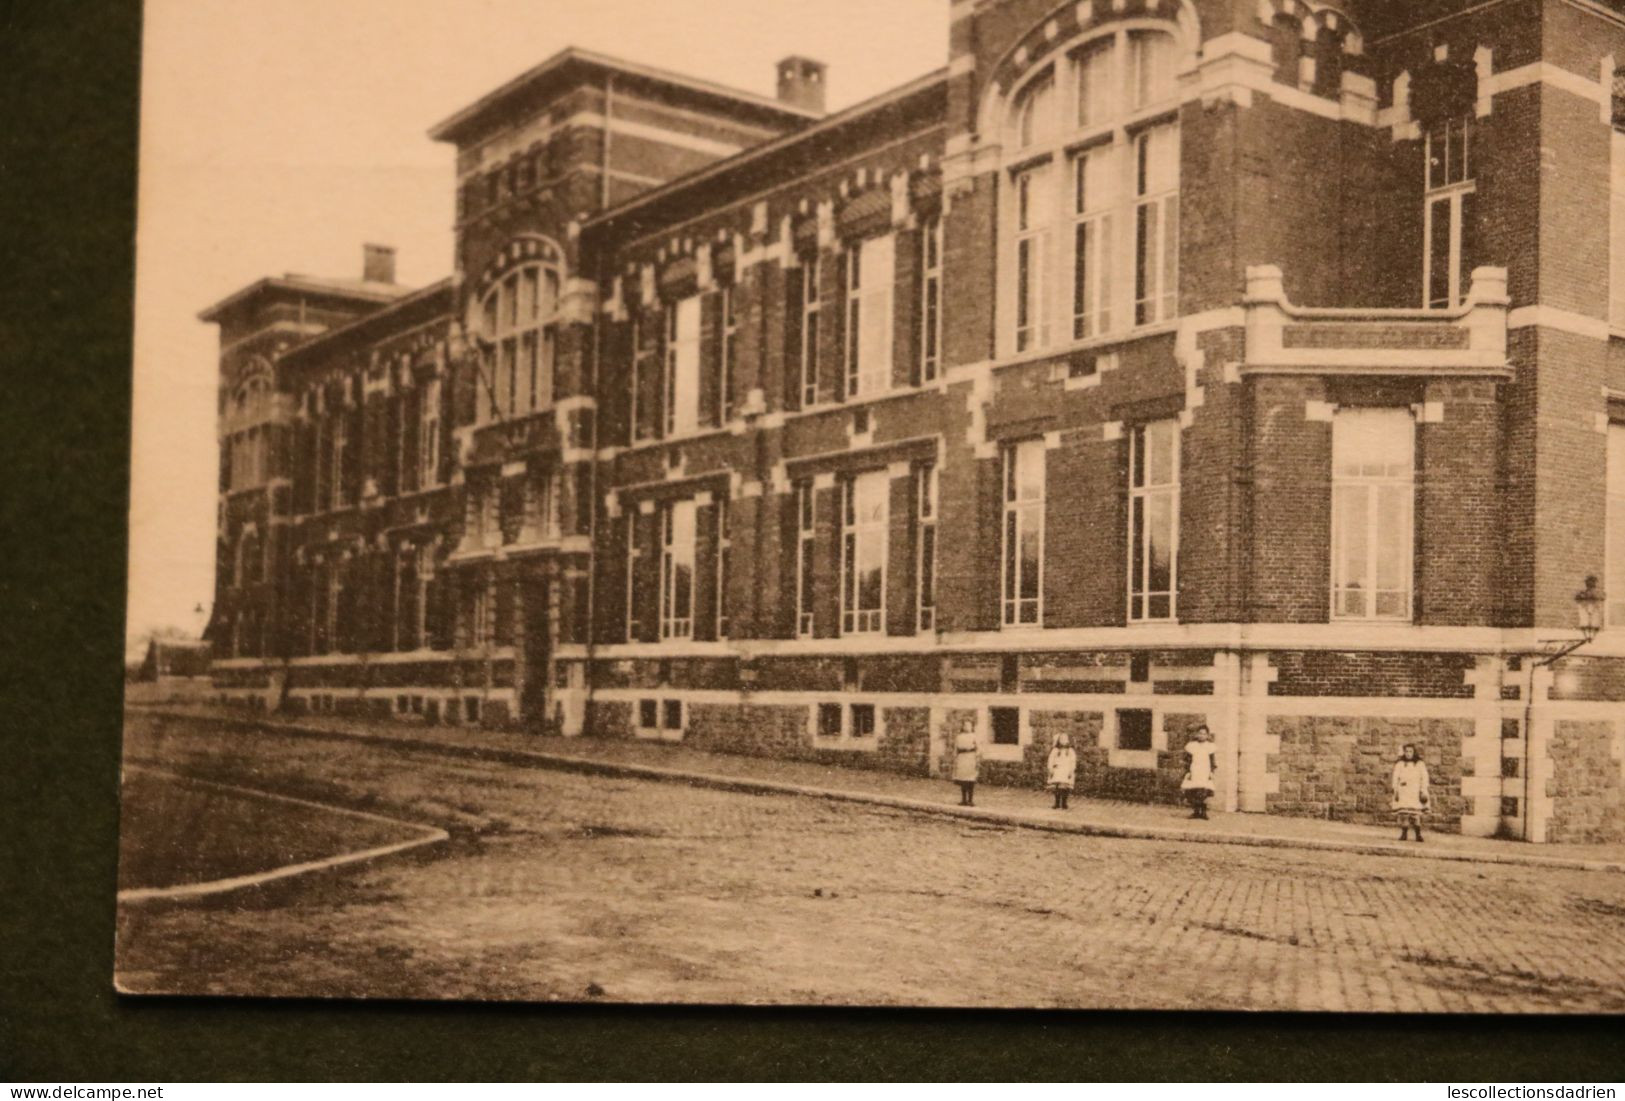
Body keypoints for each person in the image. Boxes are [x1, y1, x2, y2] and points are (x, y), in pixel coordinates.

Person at [1391, 743, 1431, 842]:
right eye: (1406, 751)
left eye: (1410, 751)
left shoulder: (1419, 764)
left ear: (1414, 752)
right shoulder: (1400, 764)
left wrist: (1423, 790)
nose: (1408, 754)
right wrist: (1395, 789)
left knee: (1415, 814)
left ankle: (1418, 834)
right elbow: (1395, 777)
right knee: (1404, 814)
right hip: (1403, 791)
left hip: (1415, 791)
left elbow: (1424, 777)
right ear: (1404, 752)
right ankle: (1404, 834)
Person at [1182, 724, 1217, 820]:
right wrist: (1188, 771)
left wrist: (1211, 771)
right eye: (1200, 733)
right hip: (1194, 770)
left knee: (1203, 792)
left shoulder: (1210, 746)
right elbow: (1187, 760)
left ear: (1207, 735)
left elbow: (1212, 760)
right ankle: (1196, 812)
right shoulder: (1191, 746)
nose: (1202, 736)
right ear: (1197, 734)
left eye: (1204, 734)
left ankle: (1203, 812)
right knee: (1193, 791)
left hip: (1205, 770)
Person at [1045, 731, 1077, 810]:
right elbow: (1050, 760)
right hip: (1057, 770)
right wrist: (1050, 769)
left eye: (1065, 739)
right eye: (1061, 739)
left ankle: (1064, 803)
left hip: (1066, 771)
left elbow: (1073, 762)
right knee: (1057, 788)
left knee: (1065, 787)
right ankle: (1057, 802)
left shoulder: (1070, 751)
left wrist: (1071, 770)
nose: (1063, 741)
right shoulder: (1055, 751)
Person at [952, 717, 980, 806]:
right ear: (963, 726)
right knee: (963, 780)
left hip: (970, 758)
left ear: (972, 726)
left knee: (970, 779)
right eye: (965, 725)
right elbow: (955, 748)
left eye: (969, 725)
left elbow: (978, 748)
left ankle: (970, 800)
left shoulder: (974, 736)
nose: (967, 727)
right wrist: (955, 758)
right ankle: (963, 800)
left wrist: (977, 758)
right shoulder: (959, 736)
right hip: (962, 758)